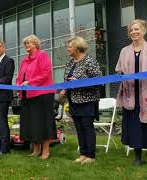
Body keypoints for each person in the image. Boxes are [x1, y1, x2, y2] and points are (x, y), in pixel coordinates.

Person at [116, 19, 147, 168]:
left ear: (144, 30)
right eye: (131, 30)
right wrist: (120, 74)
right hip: (131, 94)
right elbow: (119, 69)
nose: (133, 32)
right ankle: (137, 156)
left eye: (136, 29)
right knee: (135, 126)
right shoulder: (124, 50)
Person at [62, 36, 101, 164]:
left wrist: (80, 82)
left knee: (87, 127)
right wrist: (64, 89)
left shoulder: (89, 61)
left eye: (70, 46)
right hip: (73, 100)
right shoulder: (70, 63)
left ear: (78, 48)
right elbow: (67, 80)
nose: (67, 49)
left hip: (87, 101)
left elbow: (99, 81)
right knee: (78, 128)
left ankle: (90, 156)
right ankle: (83, 154)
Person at [16, 35, 56, 160]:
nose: (27, 45)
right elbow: (19, 77)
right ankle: (36, 149)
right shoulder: (24, 60)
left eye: (29, 43)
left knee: (43, 124)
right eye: (25, 44)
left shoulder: (42, 55)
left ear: (36, 44)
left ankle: (46, 151)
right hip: (28, 96)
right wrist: (18, 87)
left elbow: (46, 73)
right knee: (33, 124)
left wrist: (30, 82)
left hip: (43, 95)